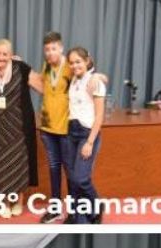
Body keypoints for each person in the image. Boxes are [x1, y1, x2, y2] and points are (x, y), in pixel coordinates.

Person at [0, 39, 40, 220]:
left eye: (5, 54)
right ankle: (4, 203)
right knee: (1, 165)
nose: (1, 57)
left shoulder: (22, 68)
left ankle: (18, 201)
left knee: (19, 163)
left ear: (11, 55)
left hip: (20, 126)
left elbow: (43, 86)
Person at [64, 46, 105, 224]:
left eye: (78, 62)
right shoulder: (73, 79)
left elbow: (99, 116)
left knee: (80, 178)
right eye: (71, 63)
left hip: (86, 133)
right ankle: (74, 214)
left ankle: (97, 205)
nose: (74, 66)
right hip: (71, 131)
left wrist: (89, 142)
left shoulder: (95, 82)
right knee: (71, 179)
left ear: (87, 61)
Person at [38, 31, 73, 224]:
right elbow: (44, 86)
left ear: (61, 48)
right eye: (47, 49)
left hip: (66, 128)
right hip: (48, 128)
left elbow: (88, 73)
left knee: (70, 170)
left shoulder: (70, 65)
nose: (50, 53)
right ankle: (55, 209)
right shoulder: (46, 66)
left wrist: (97, 76)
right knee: (53, 168)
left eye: (53, 48)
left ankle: (75, 211)